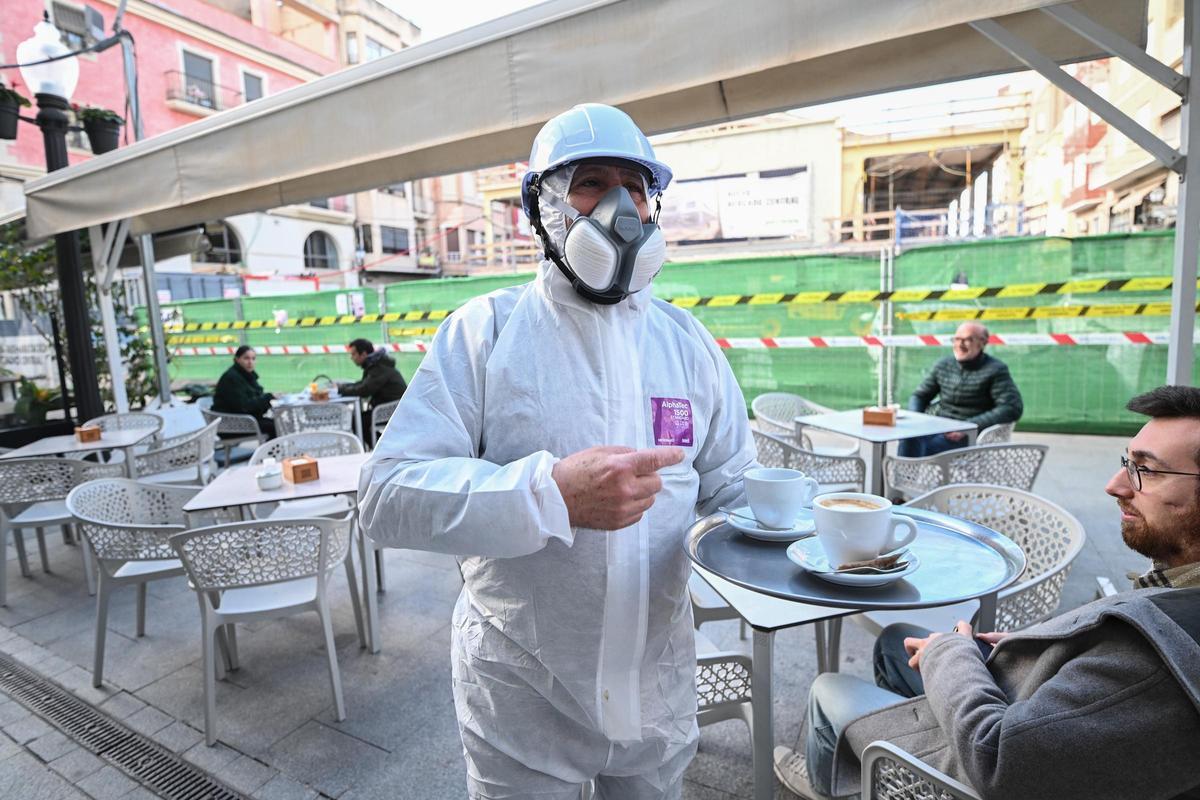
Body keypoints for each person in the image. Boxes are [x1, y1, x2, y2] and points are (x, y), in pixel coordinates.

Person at [358, 103, 757, 799]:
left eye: (635, 189)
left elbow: (732, 486)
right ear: (540, 209)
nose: (621, 208)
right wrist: (550, 495)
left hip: (654, 686)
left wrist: (802, 541)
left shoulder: (686, 342)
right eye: (591, 184)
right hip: (521, 698)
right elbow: (386, 497)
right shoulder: (484, 333)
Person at [773, 384, 1200, 800]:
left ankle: (830, 783)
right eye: (1128, 462)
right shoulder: (1179, 589)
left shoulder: (1157, 657)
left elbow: (1000, 760)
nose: (1115, 485)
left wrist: (950, 656)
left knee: (825, 688)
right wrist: (1033, 648)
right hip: (1031, 701)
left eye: (1148, 470)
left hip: (979, 754)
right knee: (893, 641)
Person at [898, 321, 1023, 458]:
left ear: (982, 343)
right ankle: (903, 479)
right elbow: (920, 396)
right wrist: (917, 419)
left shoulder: (995, 370)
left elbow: (1011, 407)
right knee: (909, 439)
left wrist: (968, 426)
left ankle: (906, 478)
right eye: (956, 339)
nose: (959, 344)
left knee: (921, 447)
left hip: (971, 436)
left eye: (967, 339)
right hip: (939, 426)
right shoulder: (943, 365)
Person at [337, 338, 407, 432]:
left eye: (353, 354)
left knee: (356, 422)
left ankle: (379, 445)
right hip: (388, 409)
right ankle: (377, 444)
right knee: (359, 420)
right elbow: (364, 384)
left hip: (391, 411)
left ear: (363, 354)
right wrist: (344, 387)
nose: (351, 357)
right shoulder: (376, 365)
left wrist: (341, 390)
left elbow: (364, 390)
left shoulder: (379, 368)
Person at [211, 345, 275, 438]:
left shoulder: (247, 376)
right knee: (275, 426)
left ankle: (272, 452)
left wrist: (268, 399)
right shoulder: (232, 378)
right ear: (237, 359)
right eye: (246, 358)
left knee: (277, 423)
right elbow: (244, 407)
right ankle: (271, 452)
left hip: (243, 419)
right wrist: (267, 398)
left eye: (253, 359)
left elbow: (254, 400)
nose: (250, 362)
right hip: (231, 424)